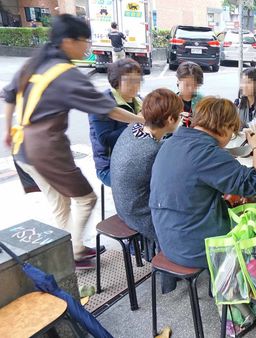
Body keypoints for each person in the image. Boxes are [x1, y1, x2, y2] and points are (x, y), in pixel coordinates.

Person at [2, 14, 143, 269]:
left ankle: (67, 251)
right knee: (86, 198)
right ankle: (76, 251)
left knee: (60, 204)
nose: (86, 47)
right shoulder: (65, 73)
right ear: (68, 41)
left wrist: (7, 130)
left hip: (22, 149)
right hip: (47, 150)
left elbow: (9, 95)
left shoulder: (34, 64)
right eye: (84, 41)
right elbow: (108, 109)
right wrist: (140, 120)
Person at [150, 97, 256, 269]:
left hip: (167, 239)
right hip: (194, 248)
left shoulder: (171, 142)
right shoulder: (208, 153)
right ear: (225, 127)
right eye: (232, 133)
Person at [111, 89, 181, 249]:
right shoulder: (154, 151)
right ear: (171, 119)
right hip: (139, 214)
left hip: (122, 206)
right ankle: (171, 264)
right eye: (179, 115)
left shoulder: (132, 129)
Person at [89, 58, 143, 187]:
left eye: (137, 80)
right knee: (145, 185)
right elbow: (106, 140)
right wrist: (137, 124)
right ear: (116, 82)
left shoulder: (139, 101)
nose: (135, 85)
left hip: (135, 160)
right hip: (110, 166)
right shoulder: (102, 103)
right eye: (129, 81)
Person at [176, 61, 204, 127]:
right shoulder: (171, 101)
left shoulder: (203, 101)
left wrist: (196, 122)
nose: (190, 89)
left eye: (195, 85)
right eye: (187, 85)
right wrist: (177, 122)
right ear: (178, 81)